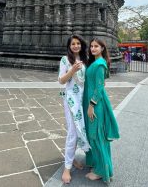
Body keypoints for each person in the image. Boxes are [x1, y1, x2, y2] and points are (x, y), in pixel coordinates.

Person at [83, 38, 120, 182]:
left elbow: (99, 89)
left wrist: (91, 106)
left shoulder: (99, 64)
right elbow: (102, 82)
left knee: (97, 135)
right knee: (93, 135)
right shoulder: (95, 63)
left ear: (102, 48)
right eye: (91, 46)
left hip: (95, 104)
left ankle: (101, 171)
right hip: (91, 101)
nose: (93, 48)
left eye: (96, 46)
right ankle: (98, 164)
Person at [58, 35, 91, 184]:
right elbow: (61, 81)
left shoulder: (85, 61)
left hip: (82, 100)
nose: (76, 46)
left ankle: (71, 160)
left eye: (78, 43)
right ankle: (67, 168)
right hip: (71, 100)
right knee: (72, 132)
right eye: (73, 44)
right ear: (69, 46)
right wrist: (71, 70)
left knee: (79, 130)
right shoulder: (65, 60)